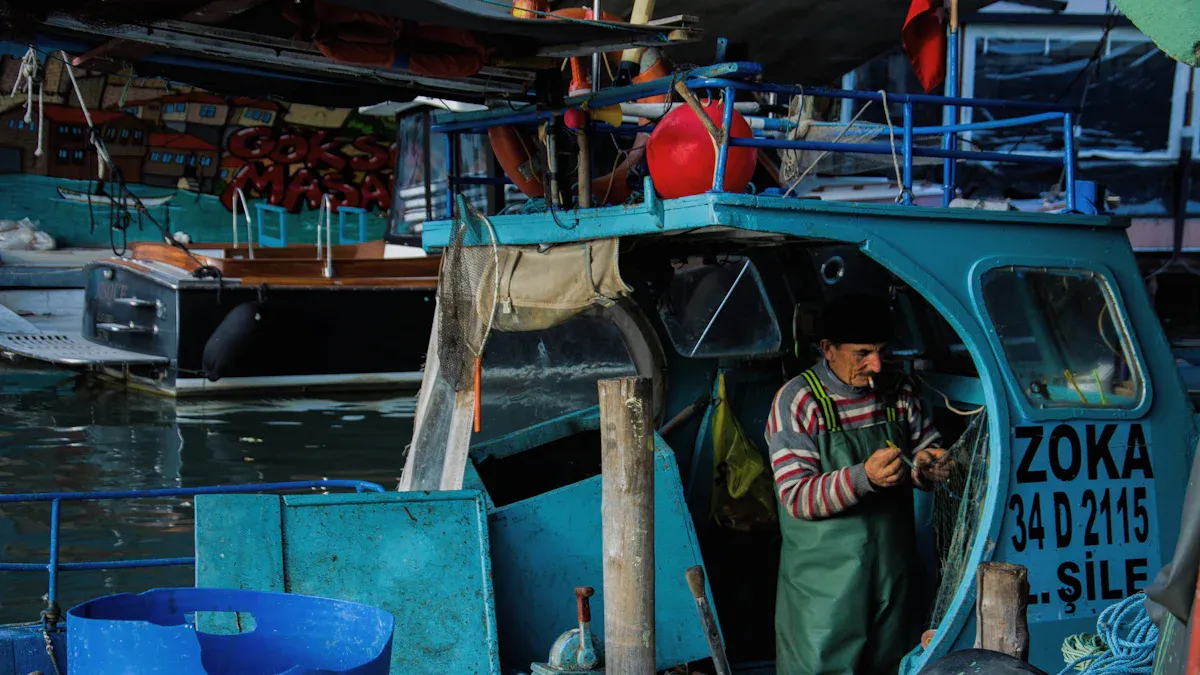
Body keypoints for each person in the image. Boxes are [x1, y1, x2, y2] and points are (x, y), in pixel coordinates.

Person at [765, 293, 952, 675]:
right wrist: (863, 477)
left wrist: (927, 466)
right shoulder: (799, 401)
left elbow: (924, 449)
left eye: (882, 351)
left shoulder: (896, 392)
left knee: (895, 666)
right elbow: (796, 496)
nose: (876, 365)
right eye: (862, 352)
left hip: (892, 577)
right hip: (824, 588)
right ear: (828, 349)